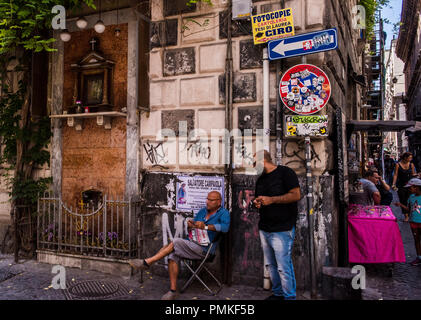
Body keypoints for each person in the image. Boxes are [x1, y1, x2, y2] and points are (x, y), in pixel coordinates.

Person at [128, 191, 230, 300]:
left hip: (205, 250)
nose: (207, 202)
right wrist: (190, 225)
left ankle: (147, 262)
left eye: (211, 200)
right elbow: (193, 227)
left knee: (175, 242)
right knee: (172, 254)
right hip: (192, 243)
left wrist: (205, 227)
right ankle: (173, 291)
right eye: (207, 199)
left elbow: (225, 228)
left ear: (218, 202)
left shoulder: (224, 213)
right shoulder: (202, 212)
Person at [253, 150, 301, 300]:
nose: (253, 166)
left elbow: (296, 195)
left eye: (254, 163)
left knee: (283, 266)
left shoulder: (285, 173)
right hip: (265, 227)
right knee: (270, 265)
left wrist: (272, 200)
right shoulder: (260, 180)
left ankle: (289, 297)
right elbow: (259, 199)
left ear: (262, 161)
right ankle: (278, 293)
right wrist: (257, 203)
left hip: (282, 228)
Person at [394, 178, 421, 265]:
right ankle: (419, 257)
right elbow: (409, 209)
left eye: (411, 187)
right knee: (416, 240)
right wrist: (400, 205)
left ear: (416, 187)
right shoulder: (411, 197)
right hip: (413, 221)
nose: (409, 189)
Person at [392, 152, 417, 221]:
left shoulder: (411, 165)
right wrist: (393, 184)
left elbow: (413, 174)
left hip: (410, 186)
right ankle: (406, 215)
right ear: (405, 158)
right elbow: (395, 175)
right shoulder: (398, 165)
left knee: (411, 199)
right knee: (403, 200)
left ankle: (410, 214)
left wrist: (417, 175)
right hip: (401, 185)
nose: (411, 159)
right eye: (410, 157)